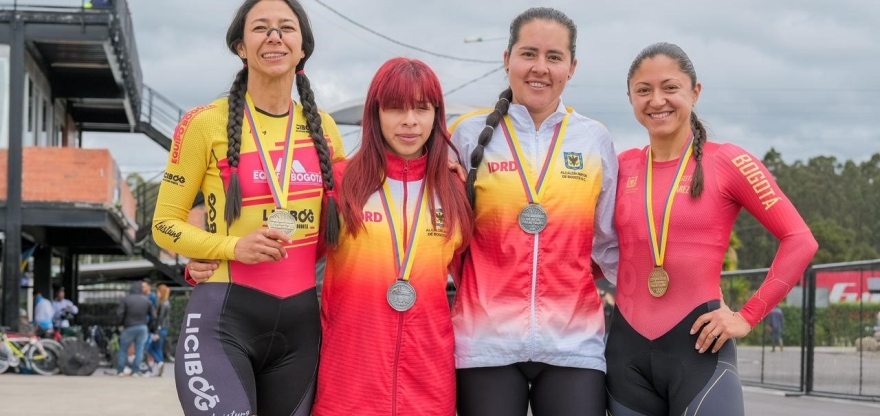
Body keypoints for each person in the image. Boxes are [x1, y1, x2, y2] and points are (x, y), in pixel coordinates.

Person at [151, 0, 345, 414]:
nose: (274, 36)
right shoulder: (204, 122)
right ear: (241, 46)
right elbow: (164, 225)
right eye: (260, 28)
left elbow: (349, 215)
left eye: (285, 28)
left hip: (300, 325)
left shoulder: (325, 128)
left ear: (302, 48)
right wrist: (229, 248)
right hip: (223, 321)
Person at [606, 42, 818, 416]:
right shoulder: (619, 166)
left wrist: (747, 316)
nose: (657, 100)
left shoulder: (729, 162)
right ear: (630, 98)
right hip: (626, 358)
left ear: (695, 91)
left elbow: (799, 240)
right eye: (643, 90)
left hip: (701, 355)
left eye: (670, 87)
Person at [448, 7, 618, 416]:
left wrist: (685, 299)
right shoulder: (467, 134)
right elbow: (443, 237)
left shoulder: (594, 139)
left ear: (572, 67)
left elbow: (611, 247)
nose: (540, 68)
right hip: (485, 342)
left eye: (554, 57)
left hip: (574, 344)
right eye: (528, 54)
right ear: (507, 58)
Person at [116, 281, 156, 377]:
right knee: (139, 349)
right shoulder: (146, 300)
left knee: (123, 349)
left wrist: (120, 324)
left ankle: (120, 370)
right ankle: (136, 370)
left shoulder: (126, 299)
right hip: (142, 327)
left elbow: (119, 314)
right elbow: (154, 316)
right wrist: (149, 327)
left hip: (128, 327)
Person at [145, 283, 171, 376]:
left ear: (161, 292)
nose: (156, 294)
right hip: (164, 329)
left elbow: (160, 319)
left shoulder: (163, 304)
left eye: (157, 292)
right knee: (158, 348)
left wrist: (156, 332)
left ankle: (160, 362)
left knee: (149, 347)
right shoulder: (166, 303)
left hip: (160, 329)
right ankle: (159, 367)